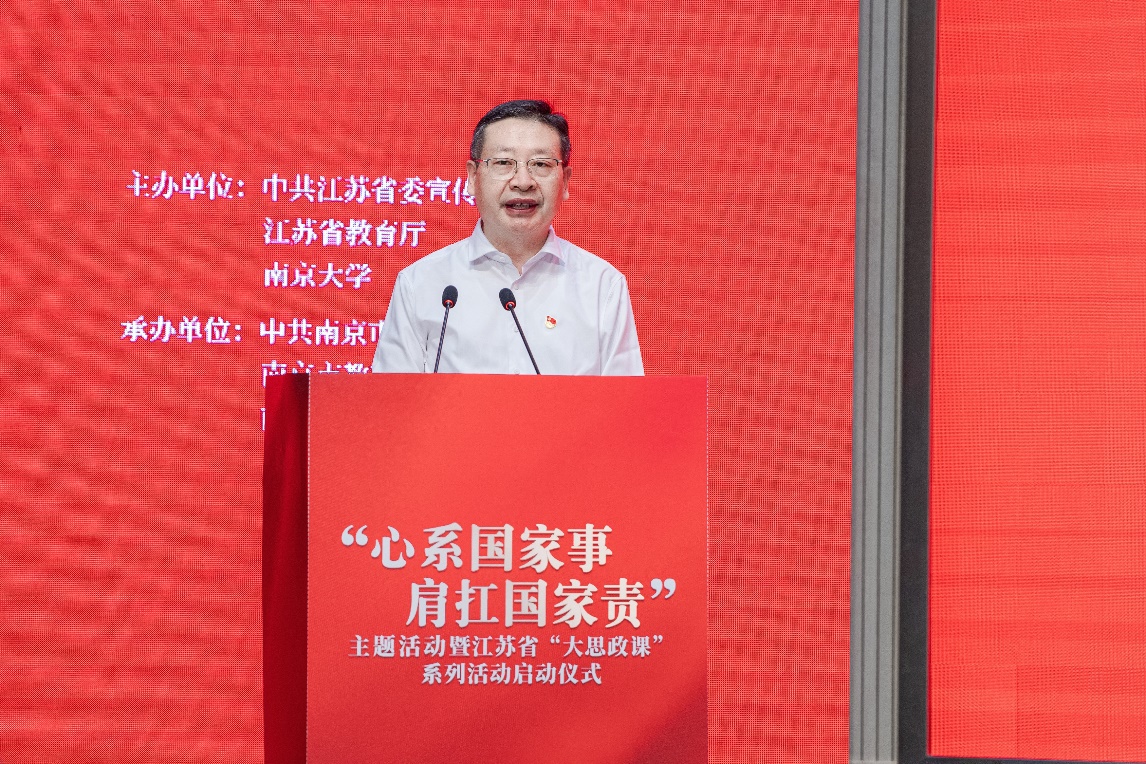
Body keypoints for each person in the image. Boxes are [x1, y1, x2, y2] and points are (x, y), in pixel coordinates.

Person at [371, 100, 643, 375]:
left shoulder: (602, 287)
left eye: (541, 164)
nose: (523, 182)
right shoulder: (421, 284)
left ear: (565, 181)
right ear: (472, 177)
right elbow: (392, 398)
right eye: (503, 163)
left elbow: (625, 400)